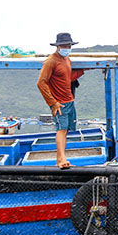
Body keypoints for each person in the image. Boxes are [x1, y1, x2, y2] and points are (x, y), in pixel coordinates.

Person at [37, 32, 85, 168]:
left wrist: (83, 70)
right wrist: (53, 103)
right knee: (61, 130)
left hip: (69, 100)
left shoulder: (67, 60)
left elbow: (67, 77)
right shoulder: (51, 61)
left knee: (66, 131)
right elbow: (41, 83)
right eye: (64, 45)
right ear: (57, 47)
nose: (67, 47)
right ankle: (62, 160)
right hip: (59, 103)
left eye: (68, 45)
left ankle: (60, 160)